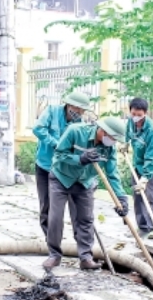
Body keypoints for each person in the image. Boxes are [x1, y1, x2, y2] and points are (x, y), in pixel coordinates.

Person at [44, 116, 129, 271]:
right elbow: (59, 155)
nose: (114, 142)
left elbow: (112, 174)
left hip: (85, 183)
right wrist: (79, 158)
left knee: (86, 220)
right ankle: (54, 255)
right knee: (55, 218)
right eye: (113, 137)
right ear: (102, 131)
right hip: (62, 178)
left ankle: (86, 258)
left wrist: (121, 197)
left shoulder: (109, 149)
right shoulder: (75, 131)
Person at [32, 91, 92, 237]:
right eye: (78, 109)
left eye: (83, 110)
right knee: (47, 206)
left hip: (67, 171)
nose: (80, 112)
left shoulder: (80, 124)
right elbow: (38, 129)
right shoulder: (52, 111)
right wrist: (58, 144)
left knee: (77, 208)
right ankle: (50, 240)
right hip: (45, 166)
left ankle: (81, 243)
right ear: (70, 105)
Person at [125, 97, 153, 240]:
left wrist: (146, 177)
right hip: (136, 163)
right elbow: (128, 134)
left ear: (145, 113)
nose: (135, 118)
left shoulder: (152, 130)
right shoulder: (130, 122)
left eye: (139, 115)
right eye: (133, 114)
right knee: (137, 196)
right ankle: (142, 227)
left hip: (151, 166)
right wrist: (126, 144)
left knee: (150, 196)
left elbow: (151, 156)